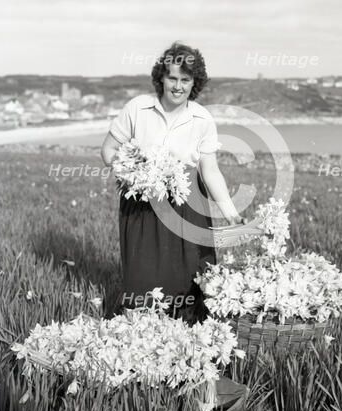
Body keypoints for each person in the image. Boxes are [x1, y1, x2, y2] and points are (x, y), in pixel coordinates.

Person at [101, 41, 245, 325]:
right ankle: (139, 333)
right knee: (142, 277)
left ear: (195, 83)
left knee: (191, 280)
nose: (178, 86)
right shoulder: (137, 108)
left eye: (186, 80)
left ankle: (191, 339)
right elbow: (107, 151)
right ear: (161, 78)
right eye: (172, 78)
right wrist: (133, 172)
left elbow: (210, 170)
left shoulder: (202, 118)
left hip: (187, 204)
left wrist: (230, 211)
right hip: (142, 204)